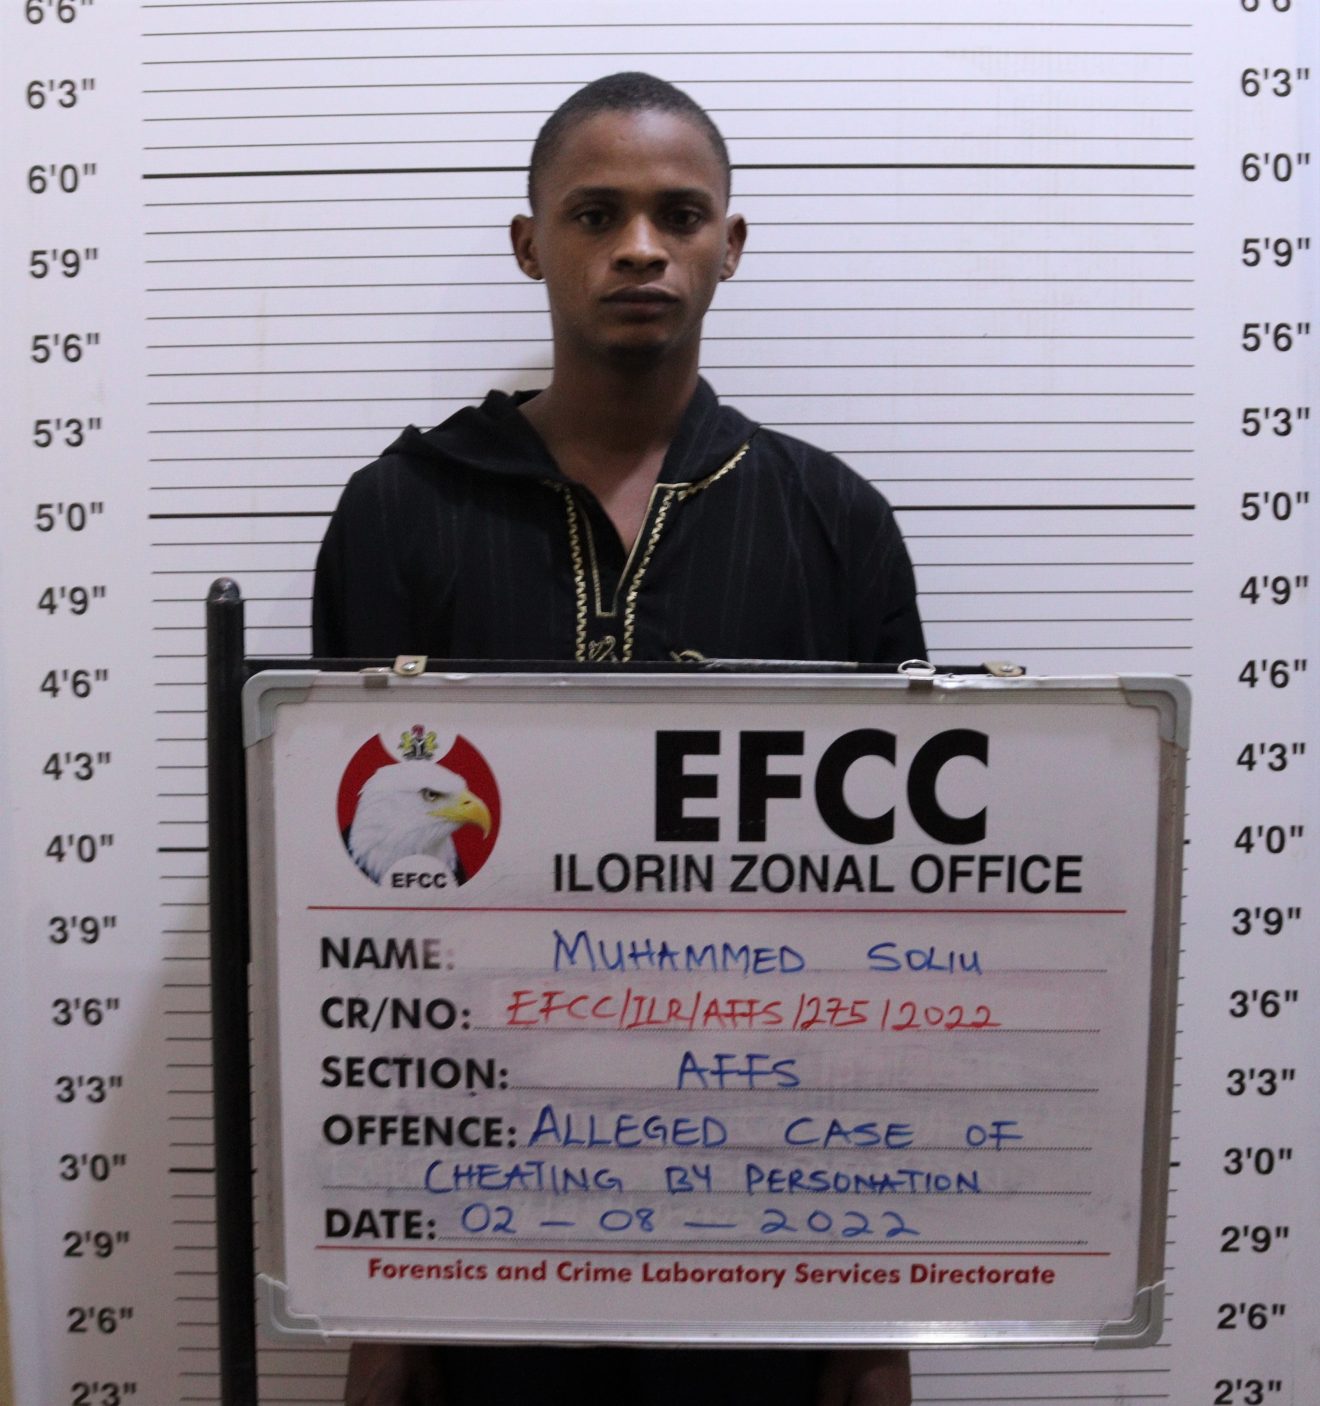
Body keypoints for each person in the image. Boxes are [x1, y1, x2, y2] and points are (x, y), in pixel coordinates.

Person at [314, 72, 922, 1406]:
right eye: (596, 214)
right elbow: (352, 928)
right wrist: (378, 1312)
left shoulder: (837, 522)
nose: (640, 247)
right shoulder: (400, 513)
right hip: (480, 1220)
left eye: (678, 214)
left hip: (767, 1216)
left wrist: (876, 1326)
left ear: (729, 244)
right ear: (530, 243)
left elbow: (888, 937)